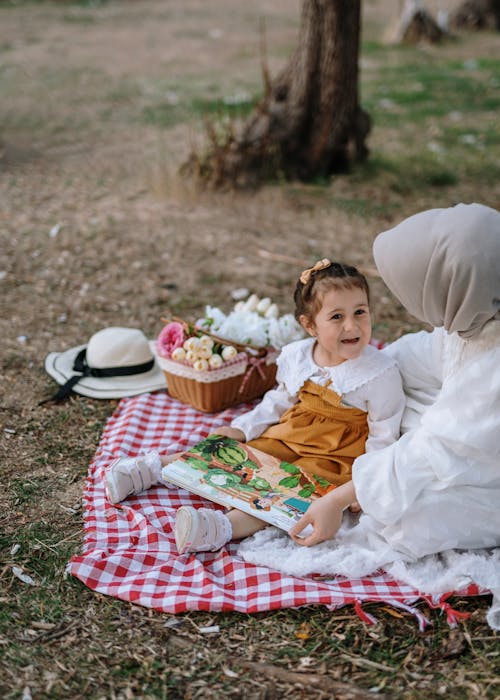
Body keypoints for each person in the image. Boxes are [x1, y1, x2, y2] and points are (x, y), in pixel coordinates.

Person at [105, 260, 405, 553]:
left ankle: (219, 528)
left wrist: (362, 485)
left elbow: (384, 435)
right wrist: (242, 428)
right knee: (234, 456)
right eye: (336, 317)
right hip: (290, 433)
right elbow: (278, 400)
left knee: (284, 496)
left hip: (333, 456)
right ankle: (153, 468)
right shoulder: (299, 356)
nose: (352, 325)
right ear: (310, 325)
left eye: (360, 312)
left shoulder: (379, 372)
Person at [287, 203, 500, 560]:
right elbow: (421, 355)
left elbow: (436, 448)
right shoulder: (481, 308)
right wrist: (353, 369)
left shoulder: (493, 364)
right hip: (469, 430)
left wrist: (340, 498)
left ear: (454, 286)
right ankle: (376, 479)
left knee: (407, 518)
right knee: (397, 397)